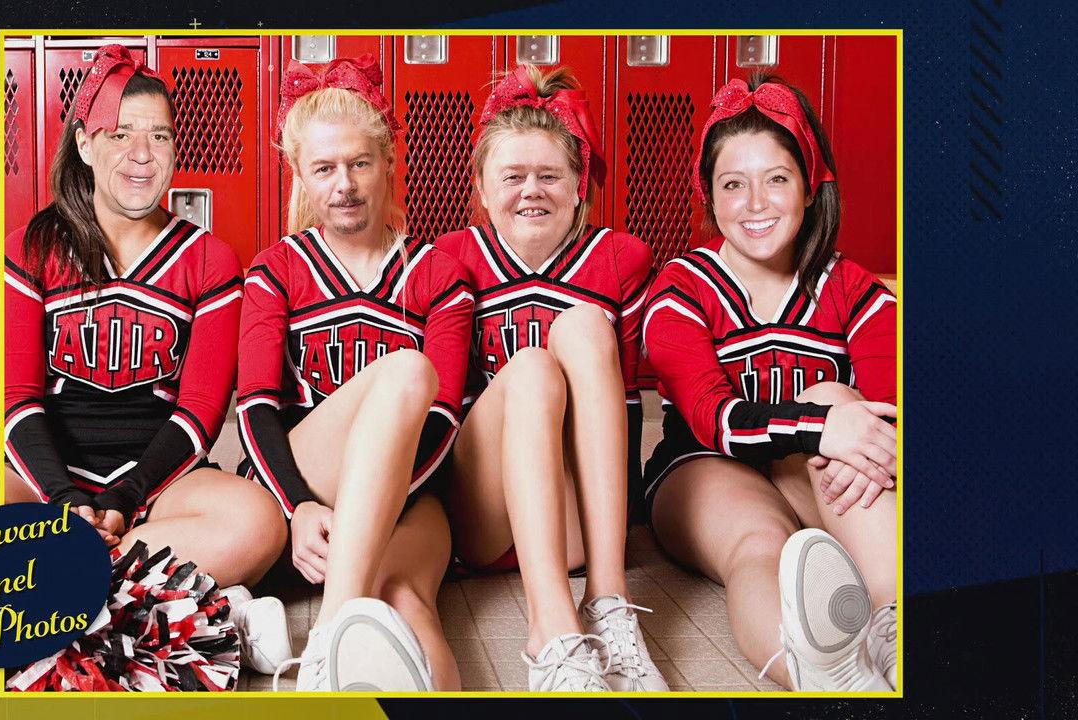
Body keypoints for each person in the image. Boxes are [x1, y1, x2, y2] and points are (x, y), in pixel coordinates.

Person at [2, 45, 290, 677]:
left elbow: (200, 411)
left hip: (157, 484)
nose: (141, 154)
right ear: (83, 144)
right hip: (48, 479)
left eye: (159, 136)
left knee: (261, 523)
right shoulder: (32, 247)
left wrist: (128, 498)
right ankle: (200, 605)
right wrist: (61, 500)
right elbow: (16, 400)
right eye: (121, 134)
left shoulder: (209, 259)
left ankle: (73, 588)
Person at [640, 75, 898, 691]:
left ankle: (898, 626)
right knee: (764, 544)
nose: (755, 202)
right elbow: (716, 418)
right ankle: (822, 675)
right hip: (702, 468)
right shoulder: (682, 286)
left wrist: (838, 419)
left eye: (776, 178)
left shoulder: (853, 287)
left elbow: (894, 410)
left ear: (810, 187)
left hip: (814, 480)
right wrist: (821, 423)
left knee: (842, 402)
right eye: (733, 184)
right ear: (708, 196)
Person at [235, 55, 474, 692]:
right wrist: (296, 504)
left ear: (388, 164)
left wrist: (385, 499)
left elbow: (446, 418)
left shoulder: (438, 274)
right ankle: (326, 651)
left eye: (359, 163)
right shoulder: (276, 268)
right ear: (300, 178)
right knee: (405, 372)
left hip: (413, 487)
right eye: (324, 168)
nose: (344, 184)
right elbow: (255, 408)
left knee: (409, 602)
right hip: (308, 480)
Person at [435, 65, 668, 692]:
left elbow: (639, 398)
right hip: (484, 517)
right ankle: (551, 630)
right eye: (512, 177)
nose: (530, 191)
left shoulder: (620, 258)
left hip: (579, 527)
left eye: (550, 175)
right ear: (481, 188)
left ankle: (609, 603)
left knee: (587, 326)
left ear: (579, 187)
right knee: (533, 368)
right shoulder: (451, 258)